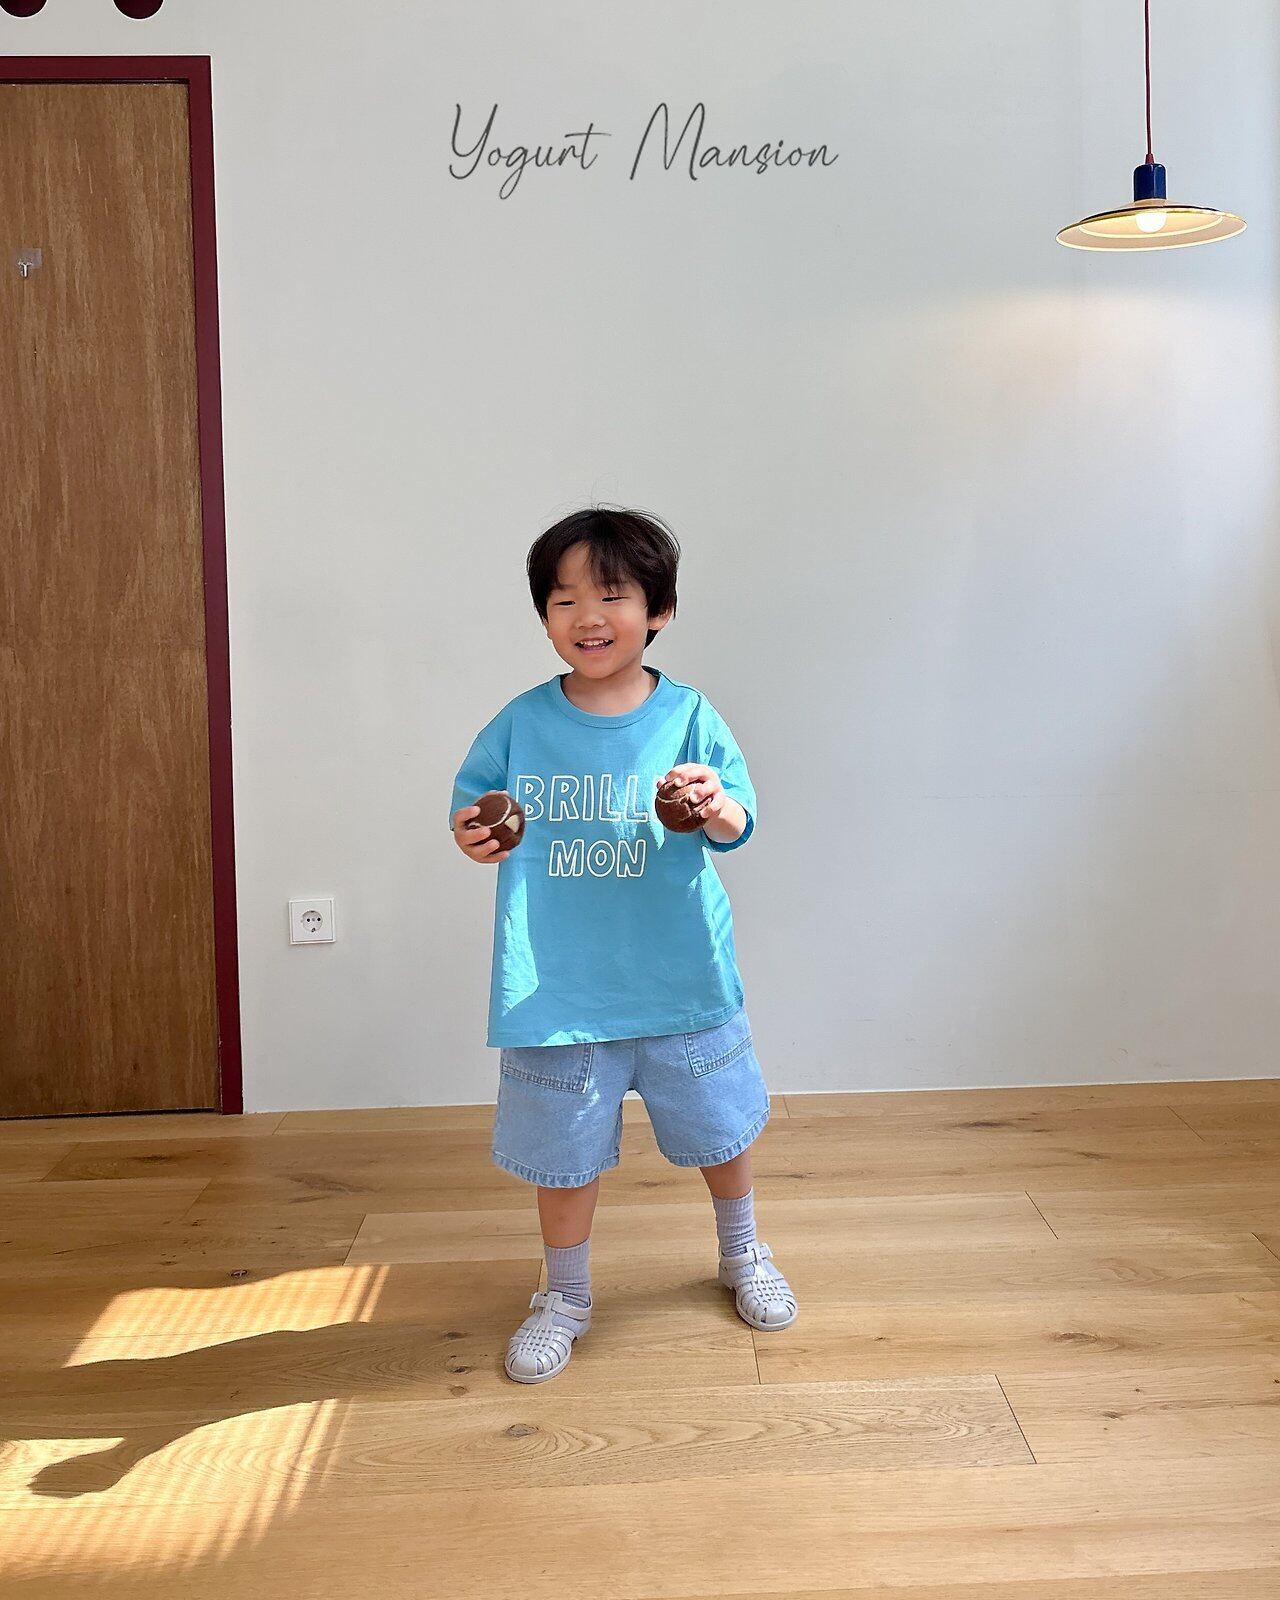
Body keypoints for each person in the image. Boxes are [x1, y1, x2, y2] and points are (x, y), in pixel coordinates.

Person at [449, 506, 797, 1383]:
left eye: (612, 594)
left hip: (681, 977)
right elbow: (472, 811)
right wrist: (474, 834)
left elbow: (736, 824)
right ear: (544, 617)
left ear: (659, 609)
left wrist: (714, 803)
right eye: (564, 599)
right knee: (562, 1155)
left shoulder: (690, 717)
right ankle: (563, 1296)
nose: (588, 616)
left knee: (721, 1131)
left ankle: (743, 1252)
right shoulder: (521, 724)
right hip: (557, 990)